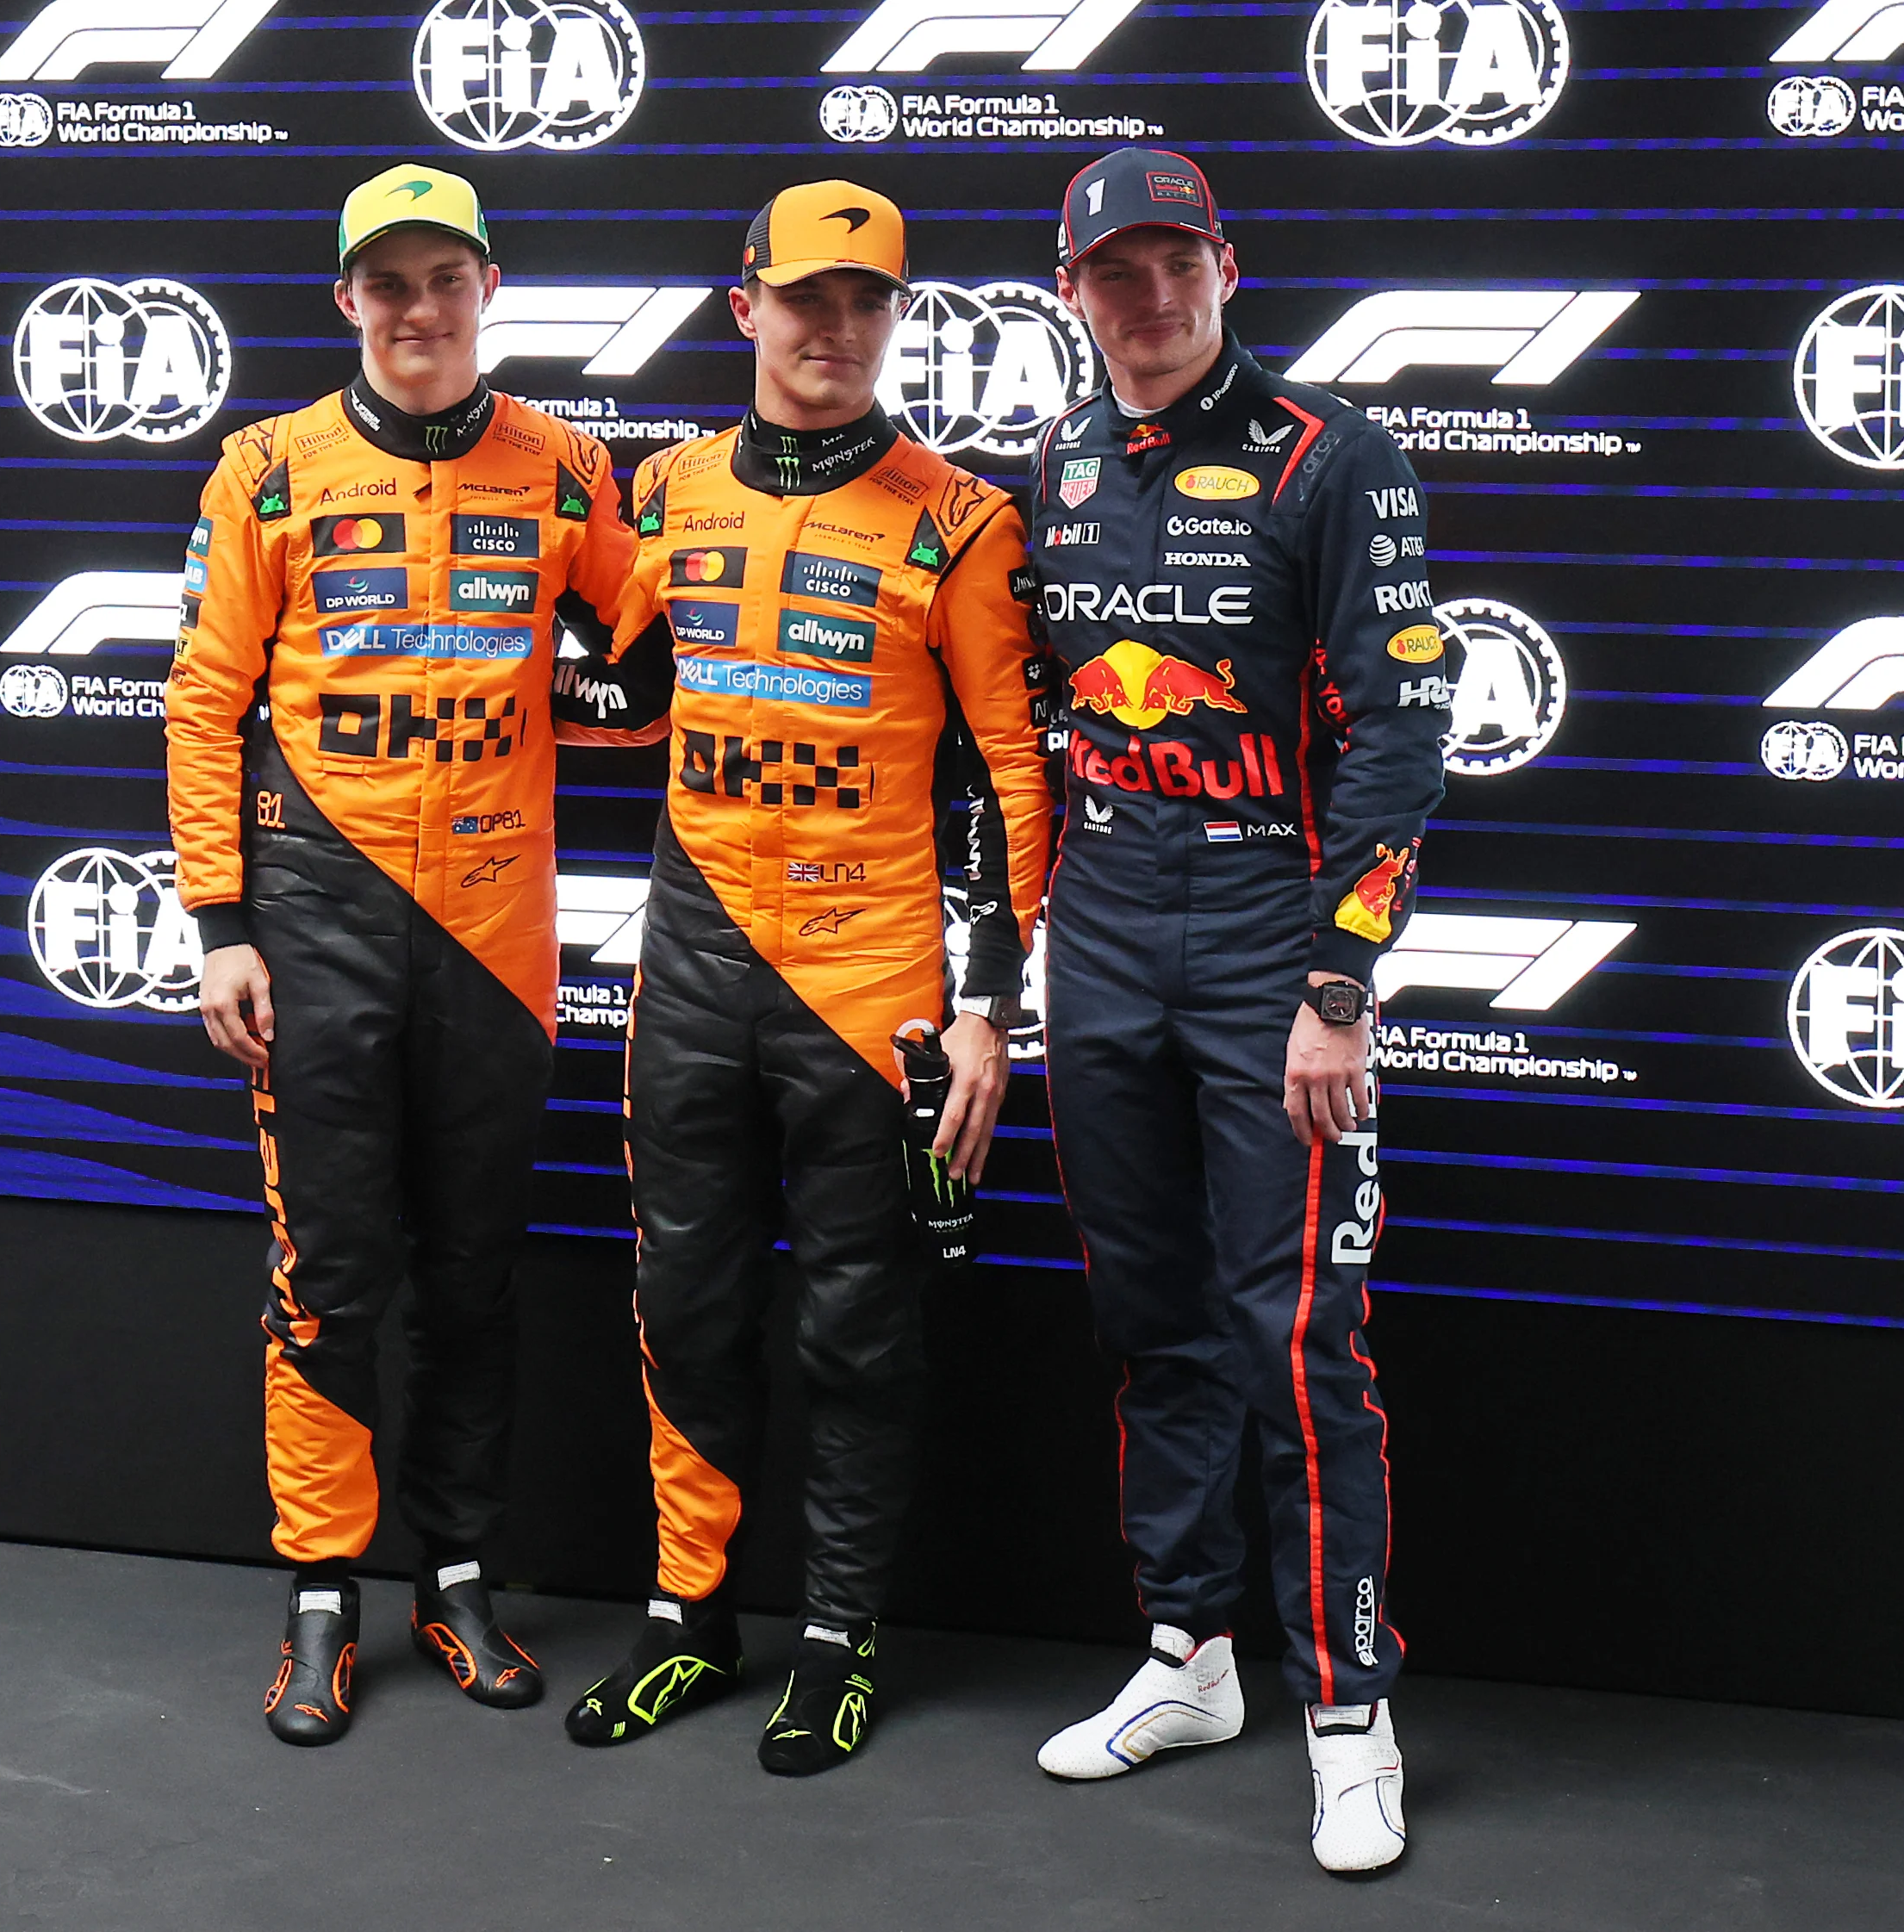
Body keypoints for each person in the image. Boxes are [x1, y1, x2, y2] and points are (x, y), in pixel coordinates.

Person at [556, 181, 1054, 1775]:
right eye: (808, 299)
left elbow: (1008, 773)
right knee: (686, 1304)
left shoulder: (960, 516)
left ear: (893, 321)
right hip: (695, 967)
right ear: (745, 307)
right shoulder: (671, 488)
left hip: (877, 982)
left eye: (867, 304)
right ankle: (686, 1617)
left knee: (859, 1327)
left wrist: (988, 1005)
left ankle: (837, 1638)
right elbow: (617, 690)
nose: (834, 331)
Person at [164, 163, 652, 1746]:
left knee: (472, 1276)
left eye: (446, 280)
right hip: (317, 922)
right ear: (348, 304)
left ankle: (457, 1573)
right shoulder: (268, 468)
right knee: (333, 1272)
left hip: (498, 935)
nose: (420, 310)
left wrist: (557, 703)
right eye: (390, 285)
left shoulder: (568, 469)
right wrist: (223, 921)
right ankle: (321, 1594)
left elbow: (649, 666)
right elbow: (203, 698)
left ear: (490, 291)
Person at [1021, 149, 1457, 1874]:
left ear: (1224, 266)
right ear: (1069, 292)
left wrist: (1338, 983)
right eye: (1110, 272)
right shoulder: (1050, 466)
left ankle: (1350, 1713)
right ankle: (1188, 1654)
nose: (1145, 298)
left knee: (1297, 1341)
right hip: (1108, 928)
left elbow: (1400, 733)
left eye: (1171, 263)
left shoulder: (1327, 459)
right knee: (1150, 1315)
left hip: (1273, 941)